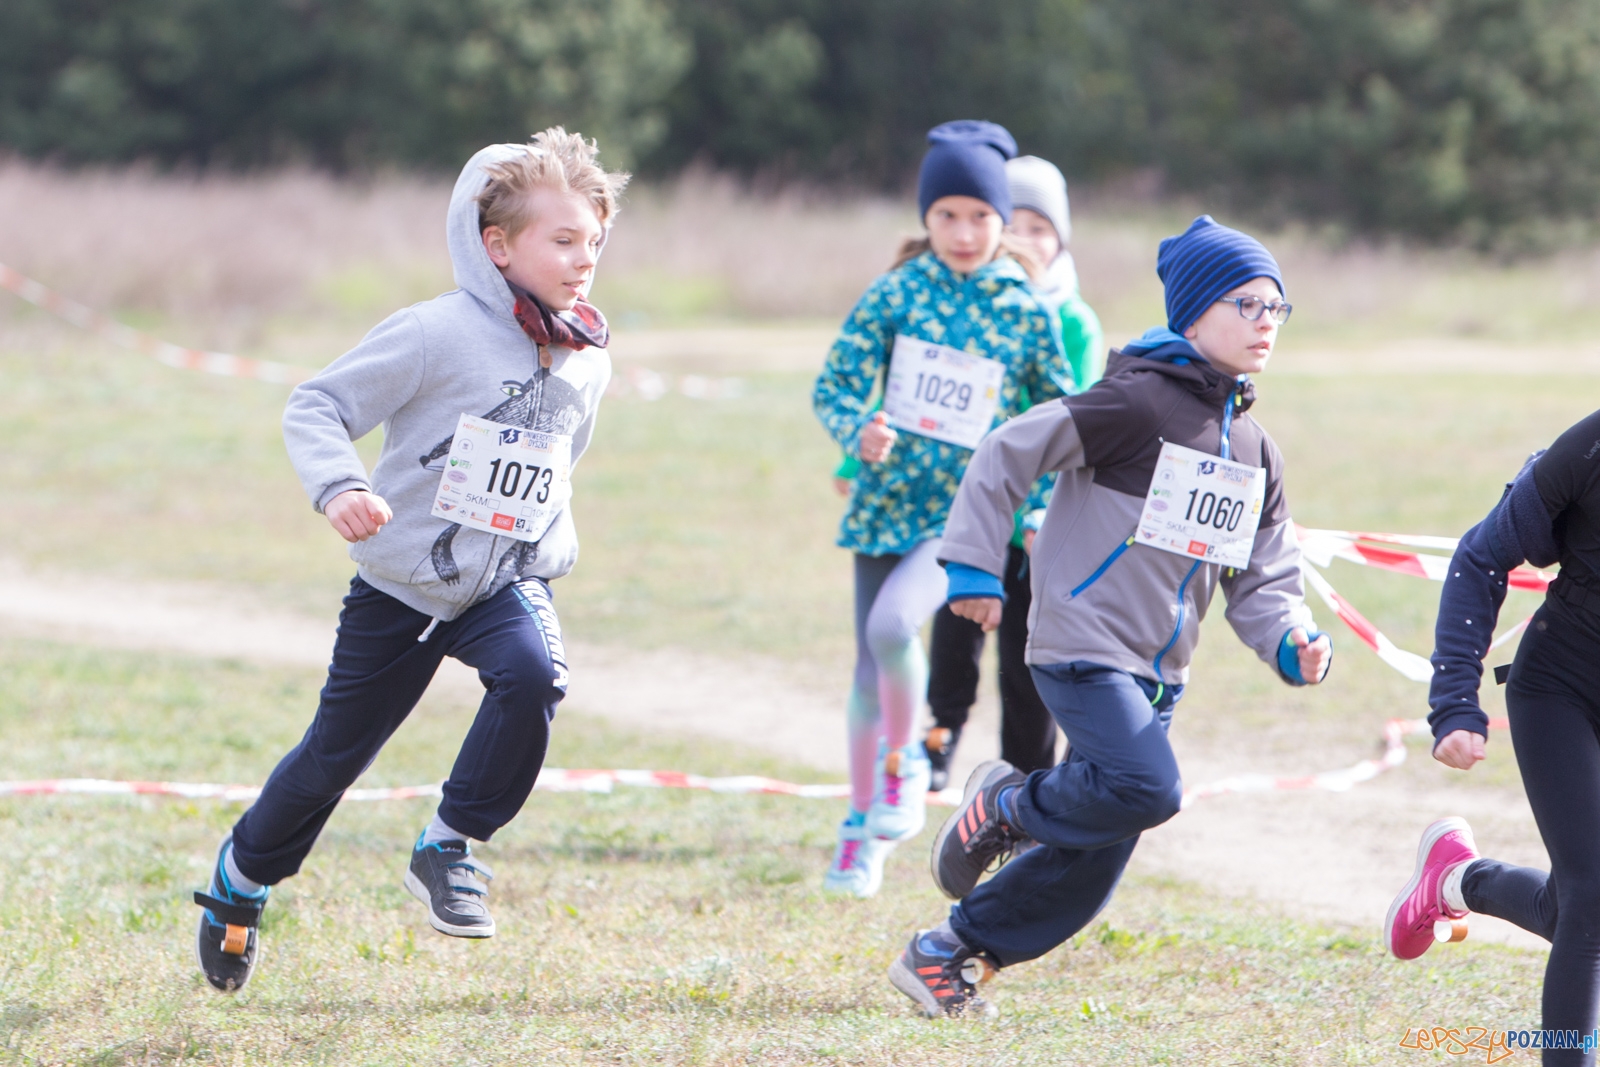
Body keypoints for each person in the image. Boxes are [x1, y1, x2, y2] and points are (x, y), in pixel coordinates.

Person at [190, 128, 627, 992]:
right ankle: (239, 884)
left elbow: (557, 466)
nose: (584, 261)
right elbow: (316, 405)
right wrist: (339, 487)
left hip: (505, 581)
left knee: (536, 673)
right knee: (331, 760)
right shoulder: (434, 333)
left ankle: (449, 843)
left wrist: (534, 542)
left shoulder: (589, 357)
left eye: (595, 243)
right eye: (563, 240)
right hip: (399, 587)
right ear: (495, 244)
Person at [889, 215, 1334, 1017]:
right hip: (1082, 645)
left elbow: (1264, 571)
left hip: (1162, 673)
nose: (1266, 321)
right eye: (1247, 304)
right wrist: (973, 565)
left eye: (1278, 307)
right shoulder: (1134, 403)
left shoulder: (1255, 449)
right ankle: (1008, 806)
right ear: (1194, 313)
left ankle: (949, 952)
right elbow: (1004, 453)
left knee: (1094, 850)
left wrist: (1290, 636)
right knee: (1149, 789)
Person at [811, 120, 1074, 898]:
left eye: (981, 217)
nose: (964, 233)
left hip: (966, 520)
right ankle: (861, 833)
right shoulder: (895, 292)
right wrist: (859, 431)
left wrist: (1038, 505)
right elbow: (835, 382)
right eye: (947, 215)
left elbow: (1059, 416)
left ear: (1003, 221)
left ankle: (904, 778)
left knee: (893, 627)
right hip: (884, 507)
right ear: (924, 219)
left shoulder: (1024, 308)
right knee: (868, 665)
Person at [1384, 409, 1600, 1066]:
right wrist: (1454, 702)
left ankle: (1457, 878)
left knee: (1580, 913)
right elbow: (1481, 555)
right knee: (1594, 894)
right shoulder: (1588, 450)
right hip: (1561, 689)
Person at [922, 154, 1105, 791]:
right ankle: (937, 745)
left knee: (1028, 652)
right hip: (974, 502)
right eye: (1014, 223)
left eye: (1040, 225)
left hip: (1041, 518)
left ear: (1061, 238)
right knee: (954, 632)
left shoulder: (1074, 320)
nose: (1025, 238)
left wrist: (1039, 510)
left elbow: (1081, 416)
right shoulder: (981, 304)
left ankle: (1026, 781)